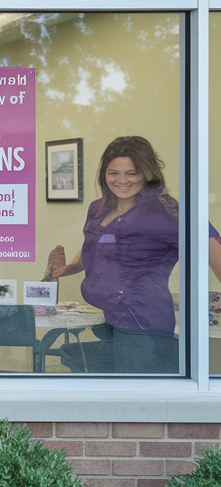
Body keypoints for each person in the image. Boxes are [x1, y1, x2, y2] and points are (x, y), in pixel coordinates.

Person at [46, 136, 197, 374]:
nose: (122, 180)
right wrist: (68, 269)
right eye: (113, 173)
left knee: (132, 400)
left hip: (141, 324)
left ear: (147, 173)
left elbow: (211, 247)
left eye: (132, 173)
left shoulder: (164, 212)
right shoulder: (99, 207)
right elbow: (96, 245)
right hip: (105, 320)